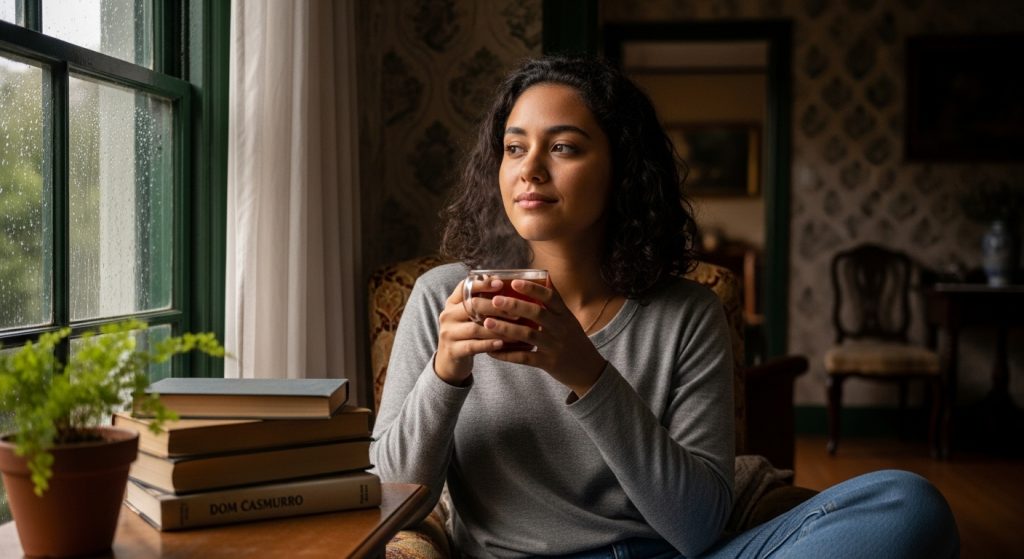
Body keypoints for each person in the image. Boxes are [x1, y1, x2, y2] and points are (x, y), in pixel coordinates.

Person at [370, 56, 959, 559]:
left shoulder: (689, 314)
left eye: (565, 147)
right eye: (514, 147)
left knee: (909, 505)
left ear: (622, 167)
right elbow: (390, 497)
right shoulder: (444, 298)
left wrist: (586, 371)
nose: (530, 169)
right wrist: (446, 374)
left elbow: (698, 527)